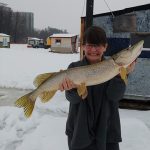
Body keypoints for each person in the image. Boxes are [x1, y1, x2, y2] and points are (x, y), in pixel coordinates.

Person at [59, 26, 136, 150]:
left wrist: (123, 74)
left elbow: (115, 96)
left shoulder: (115, 68)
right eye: (89, 45)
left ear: (105, 47)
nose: (93, 49)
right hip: (80, 132)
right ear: (83, 46)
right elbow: (72, 99)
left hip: (107, 132)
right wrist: (71, 89)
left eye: (98, 45)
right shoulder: (74, 67)